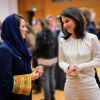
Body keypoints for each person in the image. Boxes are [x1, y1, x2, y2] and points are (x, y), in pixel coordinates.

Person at [59, 7, 100, 100]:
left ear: (76, 19)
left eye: (67, 21)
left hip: (89, 84)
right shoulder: (63, 41)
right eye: (63, 22)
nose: (64, 25)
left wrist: (80, 67)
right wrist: (68, 67)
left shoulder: (92, 38)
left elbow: (98, 60)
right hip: (70, 85)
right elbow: (61, 61)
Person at [0, 14, 43, 100]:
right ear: (13, 29)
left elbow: (18, 69)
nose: (26, 29)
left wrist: (34, 70)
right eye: (23, 26)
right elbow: (6, 83)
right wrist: (30, 77)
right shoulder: (4, 50)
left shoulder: (19, 46)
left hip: (24, 95)